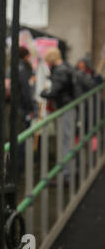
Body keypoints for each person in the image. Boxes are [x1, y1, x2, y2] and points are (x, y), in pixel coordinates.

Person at [40, 47, 75, 181]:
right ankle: (68, 170)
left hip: (65, 107)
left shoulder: (60, 71)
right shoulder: (66, 68)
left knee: (65, 140)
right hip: (68, 106)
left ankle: (66, 173)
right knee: (67, 139)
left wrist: (43, 93)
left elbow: (54, 91)